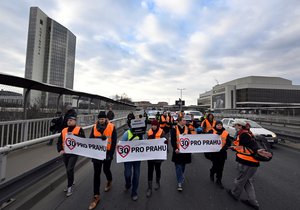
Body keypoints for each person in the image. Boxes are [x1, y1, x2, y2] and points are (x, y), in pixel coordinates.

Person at [227, 119, 272, 210]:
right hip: (251, 162)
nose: (234, 127)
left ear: (240, 126)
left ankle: (235, 194)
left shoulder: (244, 134)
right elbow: (244, 146)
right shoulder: (247, 133)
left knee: (240, 180)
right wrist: (234, 148)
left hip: (247, 162)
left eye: (235, 125)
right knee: (247, 181)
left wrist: (257, 150)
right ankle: (252, 201)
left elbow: (252, 145)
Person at [88, 111, 117, 210]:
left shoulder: (112, 127)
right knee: (96, 173)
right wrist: (98, 138)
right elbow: (90, 139)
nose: (101, 120)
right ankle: (96, 196)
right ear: (98, 119)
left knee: (106, 170)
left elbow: (113, 142)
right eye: (100, 119)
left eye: (103, 119)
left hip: (107, 154)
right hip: (97, 153)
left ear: (106, 119)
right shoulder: (94, 127)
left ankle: (109, 180)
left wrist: (110, 154)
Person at [57, 111, 85, 197]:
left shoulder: (79, 129)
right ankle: (72, 181)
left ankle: (69, 187)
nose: (69, 121)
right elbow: (59, 142)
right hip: (65, 153)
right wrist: (60, 150)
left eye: (71, 120)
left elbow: (83, 141)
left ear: (75, 121)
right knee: (68, 169)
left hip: (74, 153)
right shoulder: (64, 130)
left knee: (69, 169)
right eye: (68, 120)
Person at [121, 119, 143, 201]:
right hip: (128, 158)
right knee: (128, 174)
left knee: (136, 175)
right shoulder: (127, 133)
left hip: (137, 158)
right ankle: (128, 183)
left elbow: (144, 145)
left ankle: (134, 192)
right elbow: (121, 144)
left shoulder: (141, 134)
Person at [170, 117, 191, 191]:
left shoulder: (187, 128)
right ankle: (179, 182)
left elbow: (191, 139)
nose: (185, 121)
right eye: (184, 120)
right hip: (177, 151)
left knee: (183, 166)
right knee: (178, 166)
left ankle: (181, 176)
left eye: (185, 120)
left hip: (185, 151)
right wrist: (175, 148)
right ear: (179, 121)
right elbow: (173, 140)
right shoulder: (174, 128)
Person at [146, 120, 165, 197]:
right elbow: (145, 142)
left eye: (155, 125)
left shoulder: (162, 132)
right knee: (150, 170)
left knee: (157, 169)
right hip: (150, 155)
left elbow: (165, 142)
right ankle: (149, 187)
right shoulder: (149, 132)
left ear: (157, 125)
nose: (153, 126)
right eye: (152, 125)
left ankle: (157, 182)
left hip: (158, 155)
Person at [208, 120, 231, 189]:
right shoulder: (211, 131)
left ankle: (219, 180)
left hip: (222, 153)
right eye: (218, 125)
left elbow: (229, 142)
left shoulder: (226, 133)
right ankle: (212, 171)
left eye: (220, 125)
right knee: (215, 166)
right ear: (216, 125)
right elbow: (205, 139)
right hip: (214, 153)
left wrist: (225, 147)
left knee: (221, 168)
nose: (219, 126)